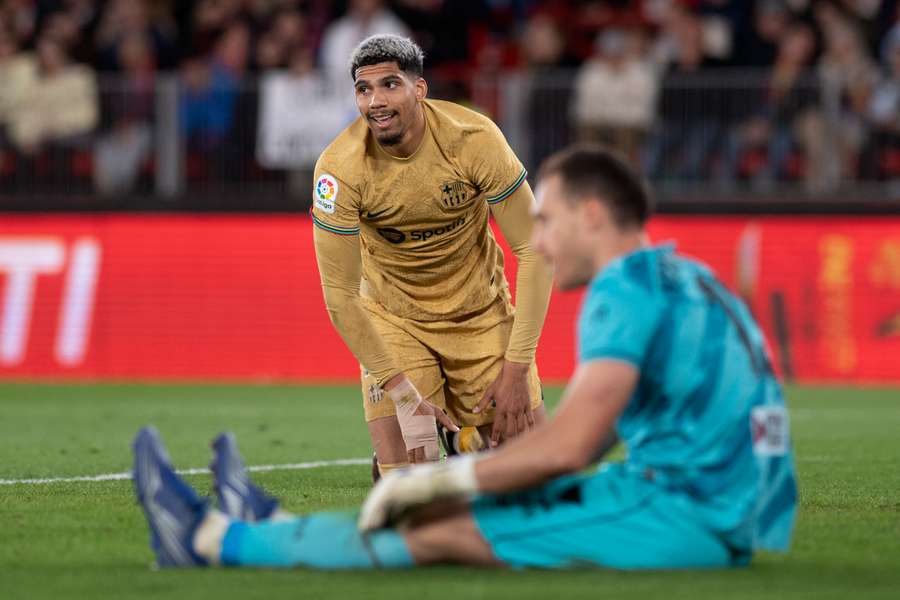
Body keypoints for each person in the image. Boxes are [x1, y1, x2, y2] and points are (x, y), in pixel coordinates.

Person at [133, 144, 798, 570]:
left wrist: (438, 480)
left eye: (550, 219)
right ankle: (275, 524)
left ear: (593, 215)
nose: (537, 238)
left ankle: (212, 540)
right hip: (725, 505)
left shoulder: (621, 290)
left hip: (686, 513)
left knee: (439, 536)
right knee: (469, 513)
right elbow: (594, 441)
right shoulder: (689, 278)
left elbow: (571, 448)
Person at [310, 34, 554, 477]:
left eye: (390, 85)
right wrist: (400, 389)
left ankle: (467, 440)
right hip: (394, 318)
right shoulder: (338, 170)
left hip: (479, 313)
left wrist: (518, 367)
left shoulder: (475, 140)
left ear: (419, 90)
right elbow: (340, 295)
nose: (376, 101)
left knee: (532, 471)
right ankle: (412, 447)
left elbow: (535, 249)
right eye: (364, 89)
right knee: (409, 477)